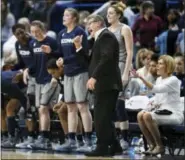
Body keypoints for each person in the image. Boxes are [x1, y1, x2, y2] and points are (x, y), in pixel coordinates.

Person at [41, 8, 93, 152]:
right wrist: (50, 52)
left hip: (80, 71)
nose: (64, 17)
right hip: (68, 73)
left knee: (82, 106)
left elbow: (82, 55)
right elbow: (60, 53)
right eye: (63, 15)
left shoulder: (80, 32)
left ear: (74, 18)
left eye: (67, 15)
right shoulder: (61, 34)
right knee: (70, 107)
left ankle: (88, 140)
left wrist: (64, 59)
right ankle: (72, 140)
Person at [74, 15, 123, 156]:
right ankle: (115, 146)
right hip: (105, 84)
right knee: (104, 116)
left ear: (98, 23)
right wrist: (78, 48)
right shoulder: (100, 38)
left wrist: (94, 77)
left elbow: (106, 58)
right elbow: (91, 61)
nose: (88, 27)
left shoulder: (106, 36)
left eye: (90, 23)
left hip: (107, 83)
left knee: (101, 117)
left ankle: (101, 147)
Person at [134, 55, 184, 155]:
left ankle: (160, 146)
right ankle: (151, 145)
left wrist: (141, 78)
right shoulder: (159, 79)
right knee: (140, 115)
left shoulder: (173, 80)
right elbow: (157, 98)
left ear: (168, 66)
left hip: (174, 114)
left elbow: (156, 89)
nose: (157, 66)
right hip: (162, 112)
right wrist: (151, 105)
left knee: (147, 116)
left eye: (160, 64)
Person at [107, 2, 133, 151]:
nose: (108, 16)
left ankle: (124, 138)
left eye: (111, 13)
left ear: (118, 15)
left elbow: (130, 52)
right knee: (111, 105)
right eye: (107, 13)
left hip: (121, 65)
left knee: (119, 103)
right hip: (109, 68)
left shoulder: (125, 28)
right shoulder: (106, 30)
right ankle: (115, 138)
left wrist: (126, 72)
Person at [46, 58, 84, 148]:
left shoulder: (69, 72)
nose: (53, 76)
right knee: (61, 111)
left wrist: (63, 102)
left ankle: (75, 140)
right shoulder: (59, 76)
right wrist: (61, 102)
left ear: (60, 68)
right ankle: (74, 139)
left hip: (80, 92)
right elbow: (64, 88)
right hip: (71, 94)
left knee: (66, 110)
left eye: (53, 73)